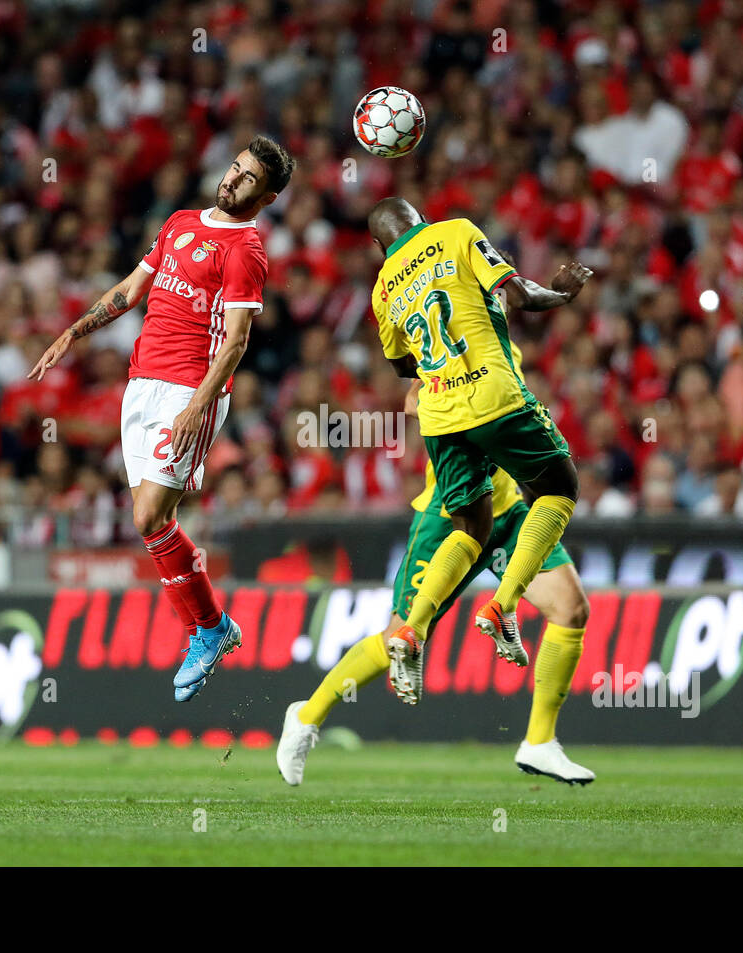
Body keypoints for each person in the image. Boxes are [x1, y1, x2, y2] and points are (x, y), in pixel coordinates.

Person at [29, 135, 294, 701]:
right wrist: (74, 332)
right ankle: (212, 628)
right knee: (147, 522)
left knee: (150, 514)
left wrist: (201, 403)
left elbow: (238, 341)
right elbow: (131, 289)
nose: (232, 180)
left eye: (248, 179)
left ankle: (208, 629)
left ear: (267, 197)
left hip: (188, 390)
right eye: (234, 169)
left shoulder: (245, 249)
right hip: (141, 384)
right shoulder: (178, 222)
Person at [277, 345, 595, 786]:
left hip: (506, 513)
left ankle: (538, 743)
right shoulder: (443, 348)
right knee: (397, 637)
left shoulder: (508, 349)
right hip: (450, 519)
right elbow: (412, 402)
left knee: (571, 609)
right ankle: (306, 717)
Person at [364, 197, 590, 691]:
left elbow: (402, 366)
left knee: (470, 527)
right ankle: (503, 604)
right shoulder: (455, 232)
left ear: (379, 246)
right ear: (419, 219)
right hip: (493, 396)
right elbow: (522, 295)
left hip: (440, 417)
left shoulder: (384, 286)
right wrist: (561, 296)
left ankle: (413, 626)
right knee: (558, 488)